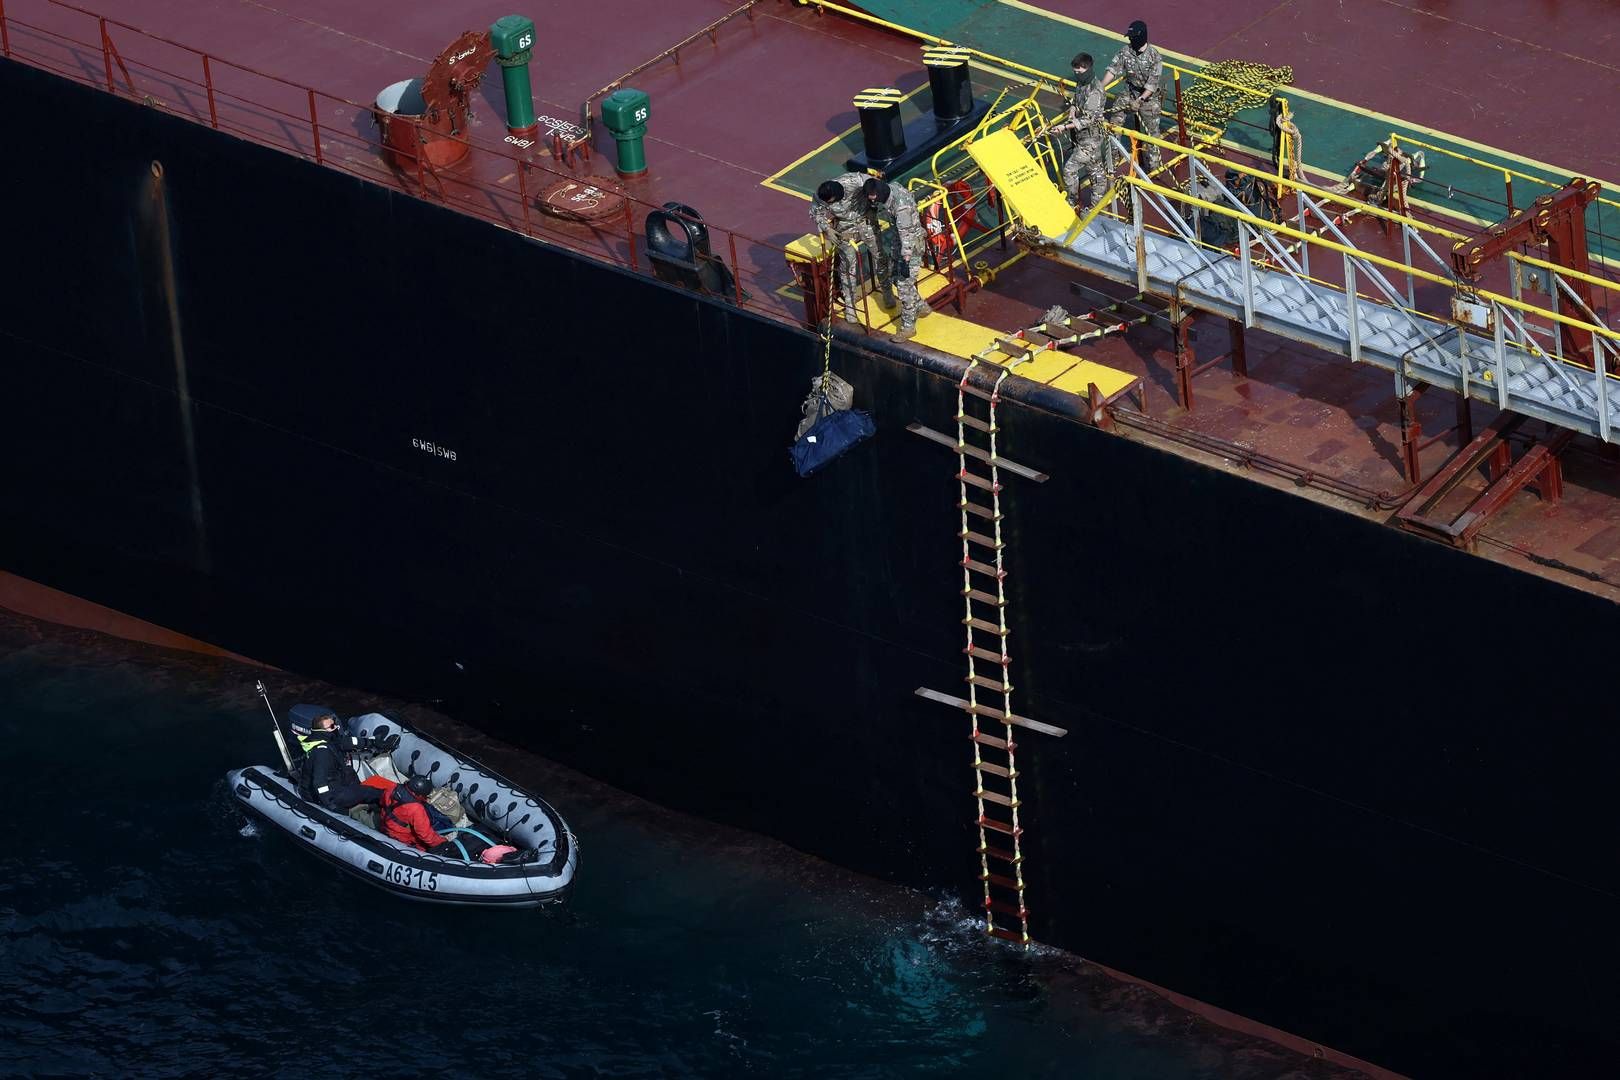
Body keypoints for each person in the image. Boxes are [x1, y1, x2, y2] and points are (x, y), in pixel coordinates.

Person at [811, 173, 892, 325]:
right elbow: (816, 212)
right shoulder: (822, 194)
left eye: (832, 202)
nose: (829, 204)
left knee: (880, 257)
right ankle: (850, 305)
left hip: (865, 221)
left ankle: (887, 291)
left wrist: (873, 206)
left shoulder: (856, 181)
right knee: (848, 266)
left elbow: (878, 187)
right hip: (845, 228)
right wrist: (826, 229)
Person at [862, 177, 927, 342]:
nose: (873, 200)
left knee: (904, 286)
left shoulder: (901, 207)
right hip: (899, 243)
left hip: (910, 247)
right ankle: (920, 305)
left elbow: (906, 234)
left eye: (874, 198)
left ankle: (908, 328)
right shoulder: (890, 189)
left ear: (880, 193)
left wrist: (906, 260)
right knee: (894, 277)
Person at [1103, 20, 1165, 177]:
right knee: (1114, 123)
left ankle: (1153, 167)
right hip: (1130, 93)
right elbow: (1113, 70)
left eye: (1132, 37)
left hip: (1148, 98)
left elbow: (1151, 85)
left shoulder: (1154, 56)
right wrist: (1100, 87)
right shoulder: (1125, 51)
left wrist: (1141, 100)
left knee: (1152, 134)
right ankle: (1113, 158)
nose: (1130, 40)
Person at [1051, 52, 1110, 213]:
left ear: (1087, 68)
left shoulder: (1095, 91)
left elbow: (1089, 119)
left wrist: (1065, 127)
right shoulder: (1082, 84)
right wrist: (1072, 109)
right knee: (1095, 168)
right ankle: (1098, 201)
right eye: (1075, 71)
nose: (1076, 74)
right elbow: (1078, 102)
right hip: (1083, 136)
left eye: (1079, 71)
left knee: (1070, 169)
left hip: (1091, 138)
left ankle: (1072, 202)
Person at [380, 775, 488, 860]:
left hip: (385, 825)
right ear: (419, 794)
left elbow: (383, 802)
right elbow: (426, 836)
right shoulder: (415, 809)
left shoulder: (393, 788)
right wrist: (444, 842)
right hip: (402, 838)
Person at [298, 712, 384, 817]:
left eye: (335, 724)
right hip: (325, 793)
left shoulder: (329, 740)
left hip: (334, 779)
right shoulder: (321, 753)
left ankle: (358, 799)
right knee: (367, 791)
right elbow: (319, 783)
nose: (336, 727)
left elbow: (349, 742)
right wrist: (331, 805)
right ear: (323, 731)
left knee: (350, 772)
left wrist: (371, 742)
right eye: (332, 726)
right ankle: (387, 799)